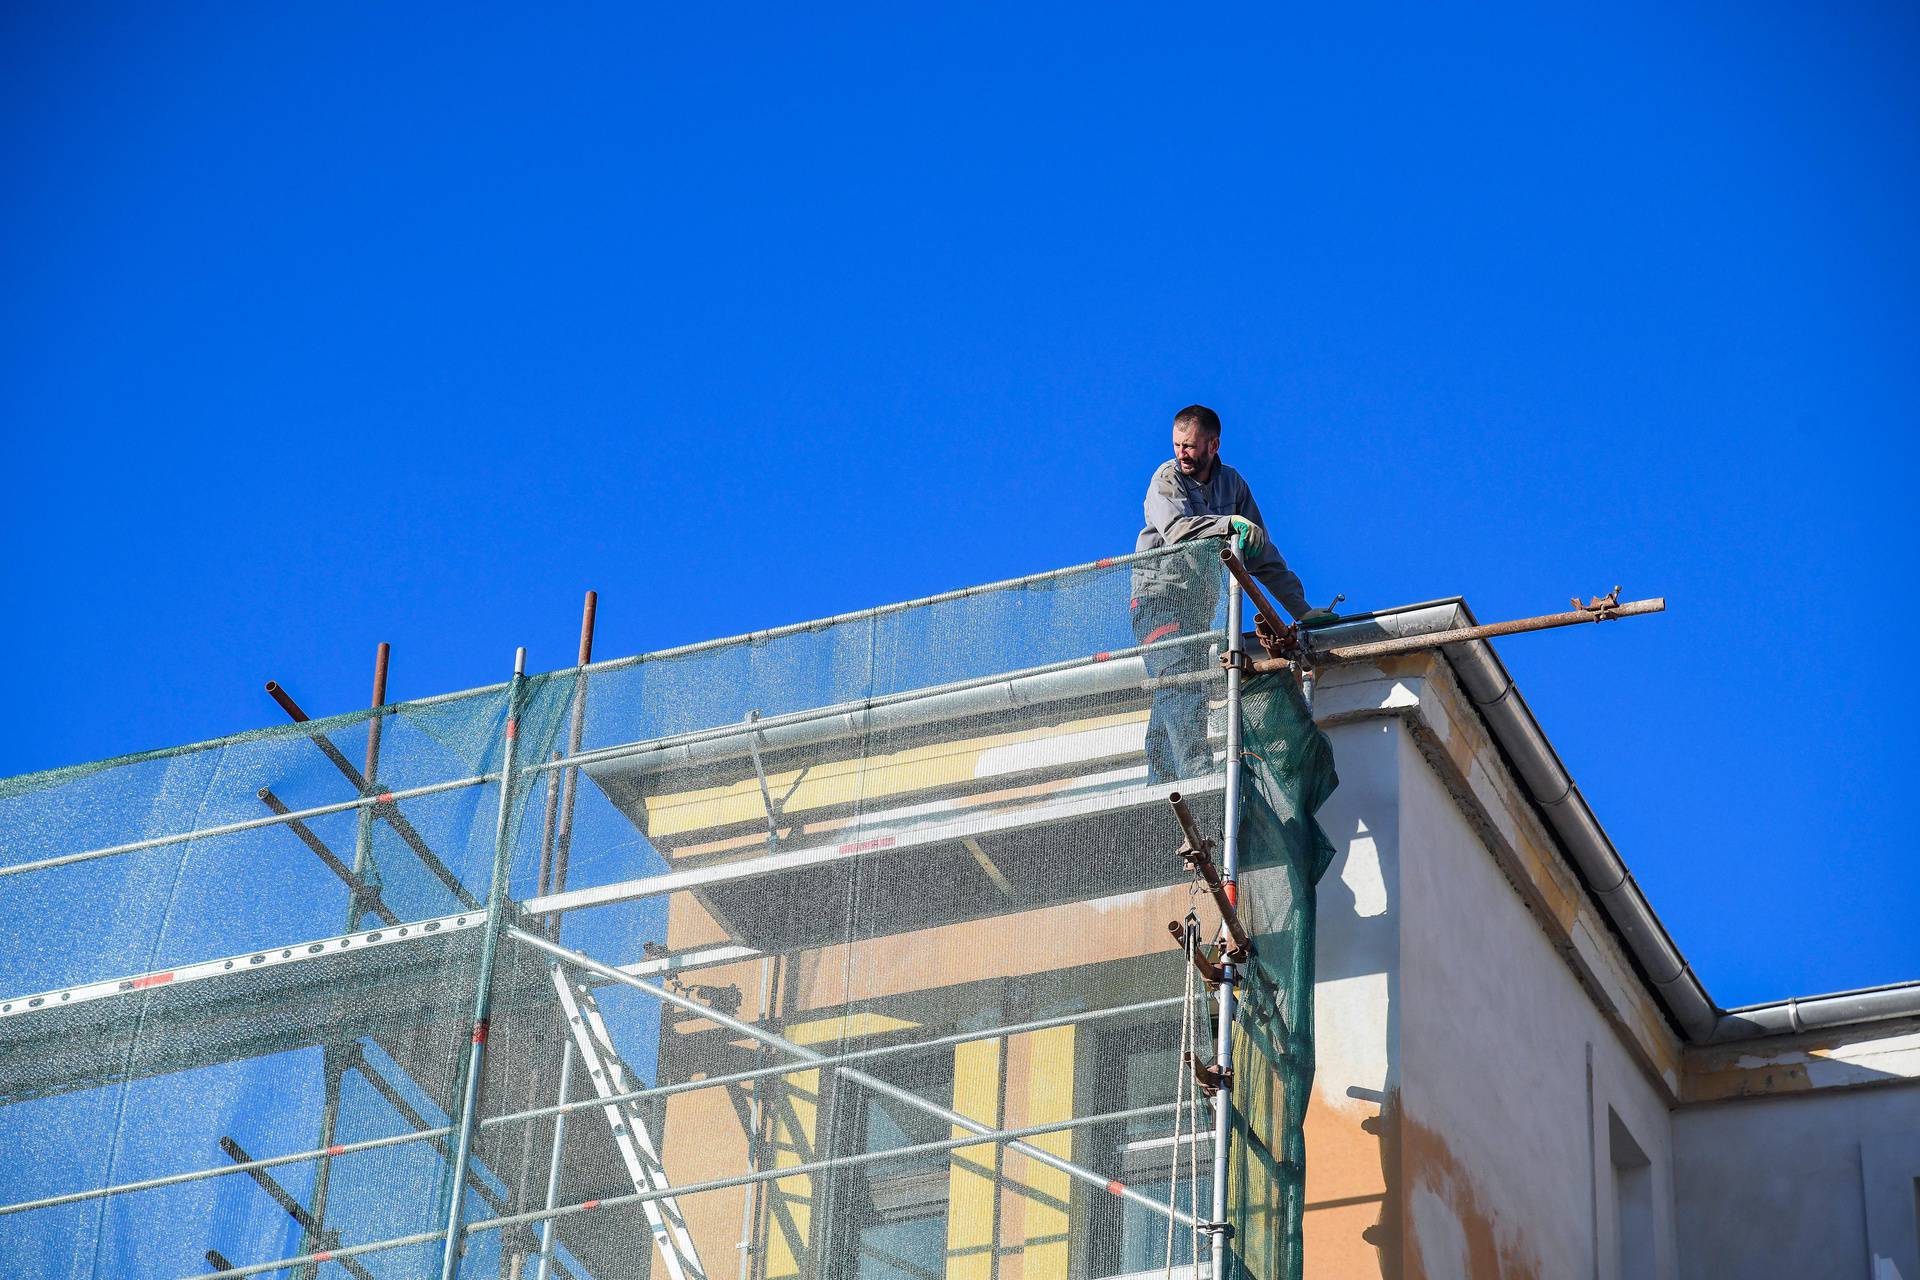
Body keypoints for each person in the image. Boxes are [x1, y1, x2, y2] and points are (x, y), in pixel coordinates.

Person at [1130, 404, 1334, 782]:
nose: (1181, 454)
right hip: (1159, 602)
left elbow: (1261, 552)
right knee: (1181, 686)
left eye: (1189, 446)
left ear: (1213, 444)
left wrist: (1301, 609)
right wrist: (1228, 523)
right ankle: (1197, 776)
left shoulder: (1233, 484)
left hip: (1195, 609)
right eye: (1177, 445)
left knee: (1171, 694)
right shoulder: (1166, 480)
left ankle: (1161, 786)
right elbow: (1177, 530)